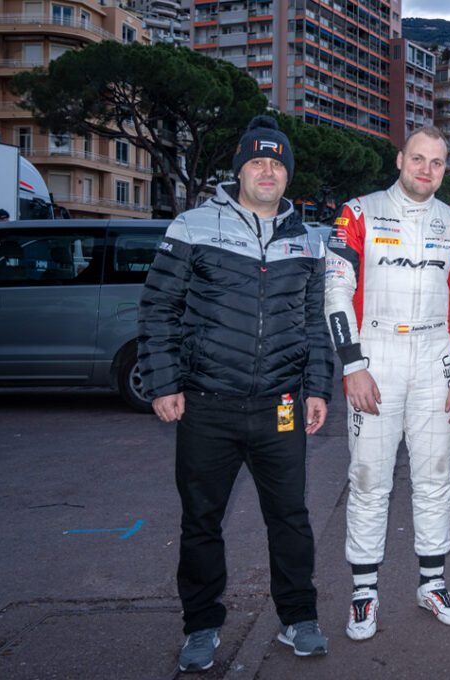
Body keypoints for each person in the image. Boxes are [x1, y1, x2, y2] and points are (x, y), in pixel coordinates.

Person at [138, 115, 333, 672]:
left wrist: (317, 388)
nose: (267, 170)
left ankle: (299, 618)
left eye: (276, 163)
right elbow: (158, 309)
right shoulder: (193, 225)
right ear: (240, 169)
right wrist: (164, 382)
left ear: (287, 174)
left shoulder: (309, 239)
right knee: (201, 522)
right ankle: (200, 626)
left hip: (281, 406)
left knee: (290, 518)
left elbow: (316, 324)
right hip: (205, 405)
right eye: (256, 161)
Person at [325, 125, 450, 637]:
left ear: (445, 168)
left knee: (436, 476)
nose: (426, 170)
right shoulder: (358, 212)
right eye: (418, 159)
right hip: (376, 353)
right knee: (369, 478)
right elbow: (334, 291)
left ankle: (432, 584)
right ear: (400, 159)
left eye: (437, 163)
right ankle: (364, 594)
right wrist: (352, 365)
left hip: (435, 355)